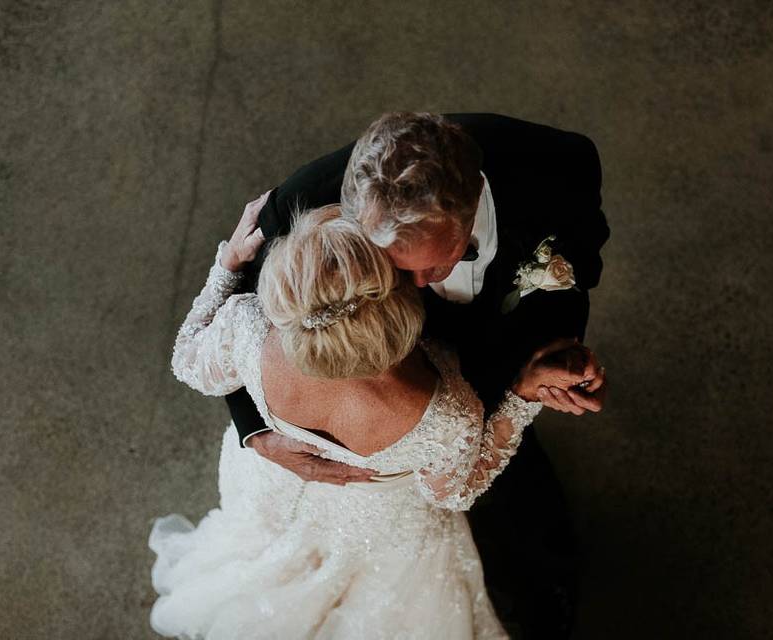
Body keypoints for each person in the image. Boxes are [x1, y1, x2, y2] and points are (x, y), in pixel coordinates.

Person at [227, 113, 610, 637]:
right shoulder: (303, 202)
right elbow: (237, 310)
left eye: (432, 266)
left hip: (502, 358)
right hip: (375, 383)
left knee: (523, 514)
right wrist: (256, 429)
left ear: (472, 200)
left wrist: (555, 352)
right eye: (393, 269)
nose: (413, 289)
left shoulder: (559, 165)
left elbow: (580, 263)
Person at [150, 203, 594, 638]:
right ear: (400, 311)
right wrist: (520, 398)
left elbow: (188, 358)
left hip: (270, 487)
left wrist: (227, 264)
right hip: (379, 521)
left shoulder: (248, 328)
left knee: (269, 554)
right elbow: (457, 490)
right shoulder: (444, 408)